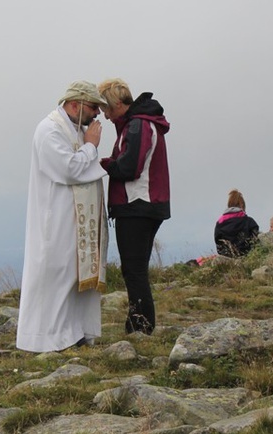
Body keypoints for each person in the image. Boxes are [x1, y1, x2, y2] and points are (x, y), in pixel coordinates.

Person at [17, 81, 109, 353]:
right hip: (54, 218)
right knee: (55, 274)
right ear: (74, 104)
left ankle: (73, 331)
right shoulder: (49, 130)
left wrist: (89, 146)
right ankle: (45, 337)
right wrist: (91, 146)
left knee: (72, 274)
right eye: (93, 107)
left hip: (73, 221)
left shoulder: (75, 129)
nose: (97, 114)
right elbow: (69, 169)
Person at [98, 78, 170, 335]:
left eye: (106, 109)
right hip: (144, 205)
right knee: (135, 268)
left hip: (138, 204)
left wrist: (103, 164)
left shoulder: (138, 125)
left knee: (134, 269)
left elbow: (129, 168)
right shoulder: (138, 124)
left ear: (118, 103)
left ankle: (141, 326)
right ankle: (137, 322)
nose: (105, 116)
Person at [214, 189, 259, 257]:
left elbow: (218, 244)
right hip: (247, 255)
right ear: (242, 205)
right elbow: (255, 239)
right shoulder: (249, 221)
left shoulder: (219, 223)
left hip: (227, 257)